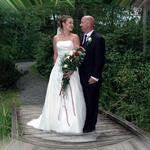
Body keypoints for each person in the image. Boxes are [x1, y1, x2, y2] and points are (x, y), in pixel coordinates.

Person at [27, 15, 86, 134]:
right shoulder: (55, 38)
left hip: (71, 70)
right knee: (56, 95)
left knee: (72, 93)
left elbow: (79, 53)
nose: (72, 25)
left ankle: (73, 123)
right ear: (63, 24)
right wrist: (57, 69)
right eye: (70, 23)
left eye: (72, 23)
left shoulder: (75, 37)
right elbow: (55, 55)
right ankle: (54, 121)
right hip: (58, 70)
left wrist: (71, 68)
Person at [79, 16, 106, 133]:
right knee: (83, 100)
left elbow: (100, 60)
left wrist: (95, 76)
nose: (80, 24)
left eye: (82, 22)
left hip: (92, 77)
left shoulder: (98, 39)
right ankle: (84, 122)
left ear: (89, 23)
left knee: (92, 101)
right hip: (80, 75)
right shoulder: (80, 38)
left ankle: (91, 125)